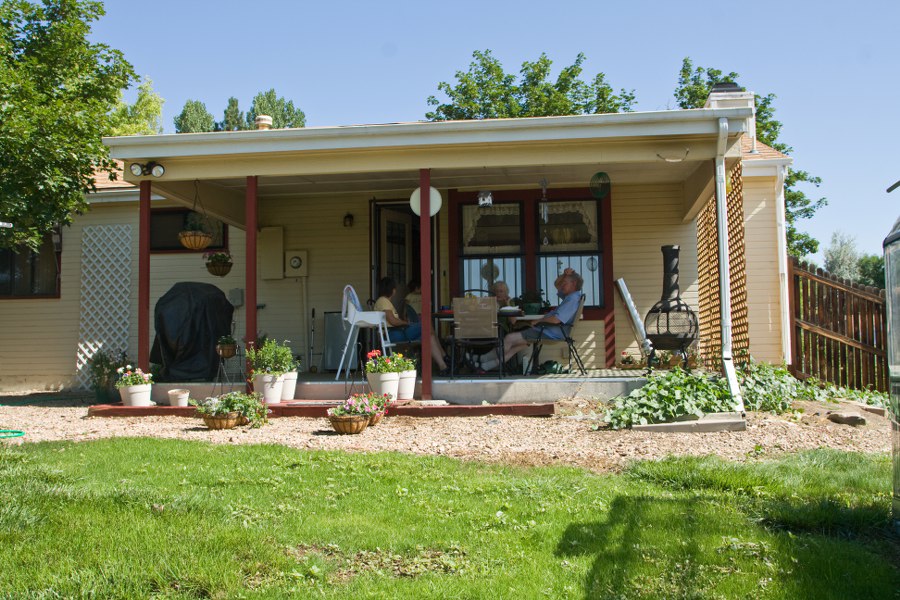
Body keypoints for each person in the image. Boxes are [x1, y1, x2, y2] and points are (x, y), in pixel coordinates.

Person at [479, 268, 583, 372]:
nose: (562, 285)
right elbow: (557, 284)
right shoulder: (570, 297)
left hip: (549, 332)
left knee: (510, 338)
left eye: (564, 283)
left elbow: (556, 320)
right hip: (549, 331)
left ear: (573, 283)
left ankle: (481, 359)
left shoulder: (572, 299)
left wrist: (538, 321)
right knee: (517, 345)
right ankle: (485, 366)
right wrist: (564, 275)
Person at [374, 276, 449, 373]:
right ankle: (444, 355)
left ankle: (443, 366)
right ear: (393, 290)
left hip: (397, 332)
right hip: (393, 334)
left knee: (428, 335)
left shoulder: (384, 301)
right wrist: (406, 323)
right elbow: (393, 321)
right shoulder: (383, 301)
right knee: (426, 325)